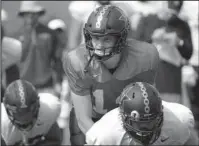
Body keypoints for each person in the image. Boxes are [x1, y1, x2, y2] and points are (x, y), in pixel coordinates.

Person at [63, 5, 159, 144]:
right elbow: (83, 119)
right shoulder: (77, 61)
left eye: (106, 39)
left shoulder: (145, 56)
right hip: (92, 119)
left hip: (130, 118)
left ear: (121, 38)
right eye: (95, 38)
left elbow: (147, 103)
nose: (99, 46)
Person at [86, 82, 199, 145]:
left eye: (151, 122)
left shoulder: (179, 121)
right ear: (123, 118)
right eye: (140, 124)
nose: (145, 131)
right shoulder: (105, 135)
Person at [14, 1, 60, 95]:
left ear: (38, 14)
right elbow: (11, 65)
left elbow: (57, 60)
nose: (30, 16)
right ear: (23, 15)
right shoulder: (16, 36)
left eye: (33, 13)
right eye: (27, 13)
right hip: (23, 86)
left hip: (46, 85)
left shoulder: (50, 34)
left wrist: (58, 82)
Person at [1, 80, 62, 146]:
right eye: (20, 115)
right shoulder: (3, 123)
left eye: (28, 113)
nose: (24, 121)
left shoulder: (48, 111)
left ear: (38, 105)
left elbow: (55, 141)